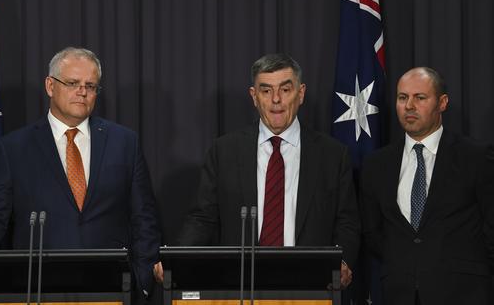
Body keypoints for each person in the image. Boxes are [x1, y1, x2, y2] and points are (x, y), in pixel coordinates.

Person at [0, 47, 162, 296]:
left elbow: (144, 219)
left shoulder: (124, 142)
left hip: (111, 290)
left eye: (91, 86)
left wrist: (142, 282)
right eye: (73, 83)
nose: (82, 92)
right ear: (50, 86)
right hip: (40, 289)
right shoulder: (14, 149)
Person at [178, 53, 360, 288]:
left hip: (310, 286)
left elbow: (347, 222)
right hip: (242, 287)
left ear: (301, 93)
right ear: (254, 97)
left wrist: (343, 262)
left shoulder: (333, 155)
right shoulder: (224, 151)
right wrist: (177, 259)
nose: (276, 100)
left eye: (285, 90)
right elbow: (202, 218)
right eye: (266, 91)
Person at [361, 67, 494, 304]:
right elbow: (373, 232)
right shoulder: (376, 164)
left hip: (464, 293)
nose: (409, 106)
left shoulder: (475, 157)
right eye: (403, 98)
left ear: (442, 103)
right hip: (398, 293)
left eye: (420, 98)